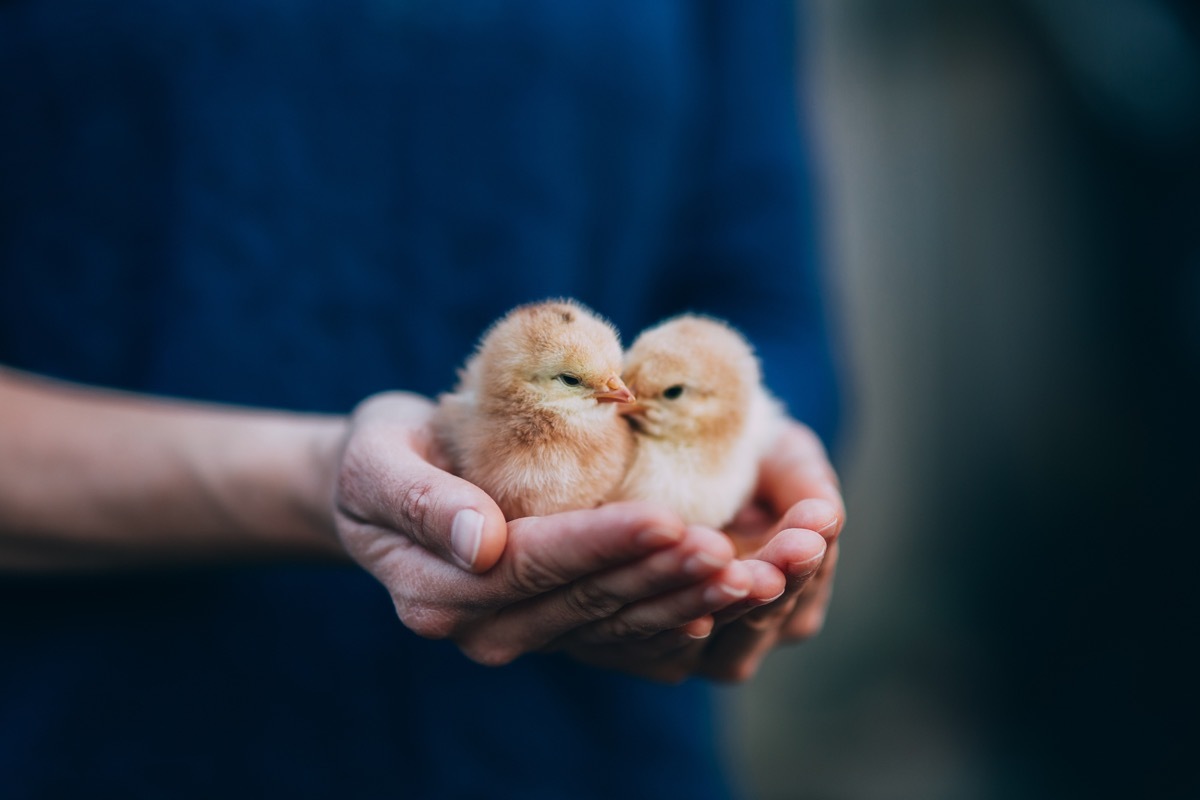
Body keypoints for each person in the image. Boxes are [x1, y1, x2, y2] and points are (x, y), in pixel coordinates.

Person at [0, 2, 845, 797]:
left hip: (589, 746)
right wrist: (312, 480)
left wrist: (748, 472)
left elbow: (763, 300)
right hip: (107, 725)